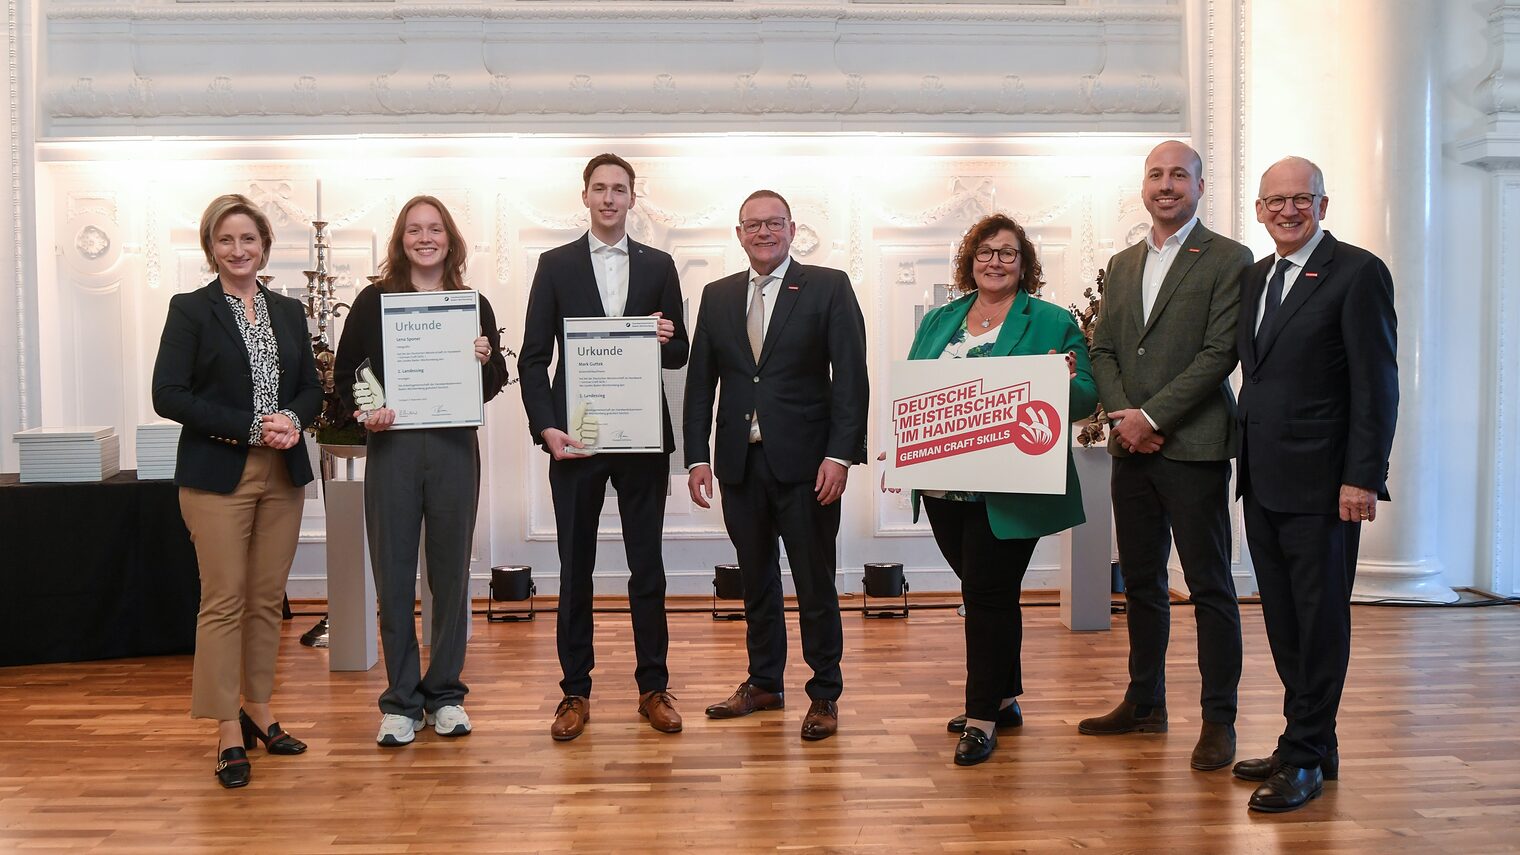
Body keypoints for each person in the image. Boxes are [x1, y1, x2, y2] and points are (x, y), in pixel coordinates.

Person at [891, 213, 1094, 766]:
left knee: (985, 594)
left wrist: (1065, 380)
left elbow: (1085, 397)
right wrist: (901, 447)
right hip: (942, 489)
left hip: (1010, 488)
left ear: (1024, 263)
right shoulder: (941, 320)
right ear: (970, 261)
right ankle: (1003, 699)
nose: (995, 262)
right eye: (985, 252)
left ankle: (980, 718)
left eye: (1007, 253)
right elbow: (916, 391)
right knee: (989, 593)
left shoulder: (1051, 321)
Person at [1079, 141, 1253, 771]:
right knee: (1143, 582)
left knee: (1209, 586)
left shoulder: (1231, 260)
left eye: (1180, 175)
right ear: (1143, 186)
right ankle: (1146, 704)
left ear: (1201, 187)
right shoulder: (1123, 265)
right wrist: (1128, 419)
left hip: (1195, 446)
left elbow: (1220, 354)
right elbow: (1102, 352)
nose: (1167, 185)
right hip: (1134, 450)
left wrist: (1152, 418)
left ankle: (1219, 719)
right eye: (1156, 175)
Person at [1232, 156, 1398, 812]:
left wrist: (1363, 475)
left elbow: (1376, 382)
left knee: (1320, 619)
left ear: (1323, 205)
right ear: (1259, 210)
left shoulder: (1358, 272)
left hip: (1326, 485)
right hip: (1263, 480)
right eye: (1276, 201)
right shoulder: (1255, 277)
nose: (1288, 210)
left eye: (1302, 199)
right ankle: (1310, 741)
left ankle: (1303, 755)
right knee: (1283, 620)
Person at [685, 189, 868, 742]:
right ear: (738, 234)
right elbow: (699, 387)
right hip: (741, 466)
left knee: (815, 583)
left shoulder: (828, 286)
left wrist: (840, 455)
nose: (764, 233)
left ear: (793, 229)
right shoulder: (716, 297)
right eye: (753, 225)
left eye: (774, 224)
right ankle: (764, 682)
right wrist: (697, 457)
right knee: (756, 582)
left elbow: (851, 378)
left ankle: (824, 694)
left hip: (809, 466)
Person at [152, 194, 322, 788]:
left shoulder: (288, 312)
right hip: (217, 476)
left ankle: (260, 707)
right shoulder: (191, 310)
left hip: (282, 474)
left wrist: (294, 420)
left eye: (248, 239)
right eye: (226, 240)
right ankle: (226, 729)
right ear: (210, 248)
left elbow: (310, 389)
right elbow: (168, 395)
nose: (238, 249)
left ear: (264, 245)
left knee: (265, 599)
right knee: (223, 601)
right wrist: (251, 424)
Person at [518, 153, 688, 741]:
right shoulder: (556, 265)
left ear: (633, 199)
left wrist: (665, 335)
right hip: (577, 441)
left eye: (620, 189)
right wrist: (546, 429)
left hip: (641, 440)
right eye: (600, 189)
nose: (610, 198)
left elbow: (679, 352)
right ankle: (574, 692)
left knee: (648, 566)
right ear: (585, 197)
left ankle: (653, 687)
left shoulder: (660, 265)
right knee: (576, 569)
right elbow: (534, 359)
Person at [333, 195, 508, 747]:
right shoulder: (373, 300)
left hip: (455, 447)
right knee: (393, 573)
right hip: (395, 449)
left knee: (451, 575)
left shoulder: (472, 302)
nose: (425, 238)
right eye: (414, 230)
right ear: (401, 239)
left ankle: (446, 694)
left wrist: (487, 358)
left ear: (450, 238)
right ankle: (401, 701)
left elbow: (493, 381)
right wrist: (371, 405)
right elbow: (350, 374)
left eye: (434, 229)